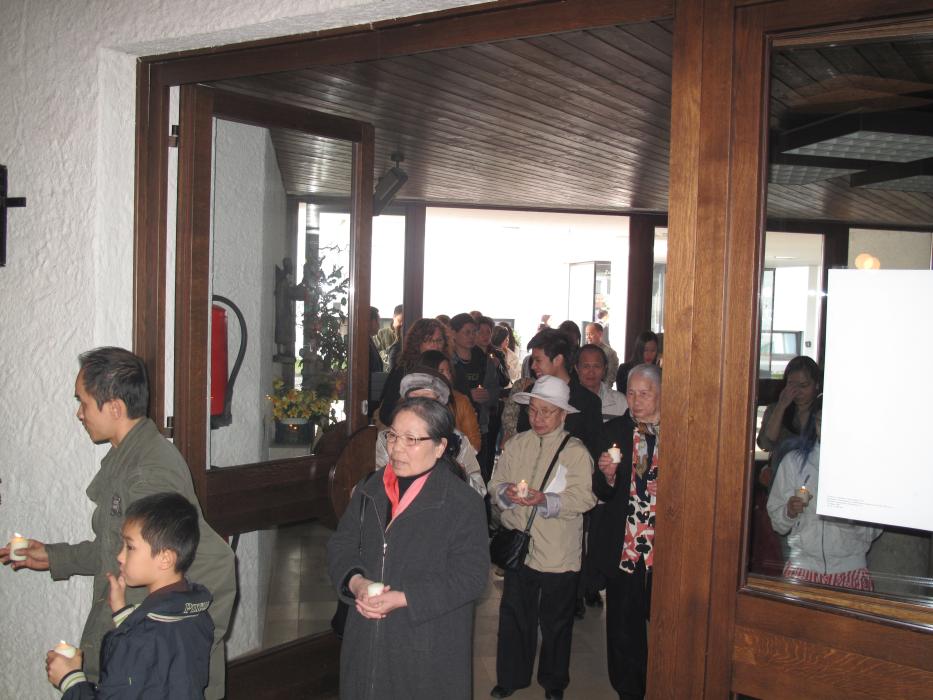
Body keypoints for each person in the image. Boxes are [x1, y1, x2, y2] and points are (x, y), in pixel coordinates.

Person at [0, 347, 235, 699]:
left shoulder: (149, 473)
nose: (79, 413)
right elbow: (115, 548)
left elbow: (207, 562)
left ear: (114, 407)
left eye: (83, 402)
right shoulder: (128, 455)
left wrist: (174, 646)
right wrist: (53, 556)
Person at [327, 398, 489, 700]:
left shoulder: (461, 503)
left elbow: (471, 577)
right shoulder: (369, 488)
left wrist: (404, 598)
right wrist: (356, 582)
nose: (397, 448)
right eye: (393, 436)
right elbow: (342, 544)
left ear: (440, 447)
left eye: (411, 439)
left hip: (425, 644)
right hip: (366, 639)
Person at [489, 376, 597, 700]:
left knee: (556, 622)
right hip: (520, 547)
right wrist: (506, 493)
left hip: (558, 552)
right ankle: (510, 677)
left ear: (563, 415)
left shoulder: (575, 452)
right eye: (533, 410)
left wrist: (545, 500)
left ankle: (554, 682)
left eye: (546, 412)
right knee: (514, 615)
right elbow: (495, 483)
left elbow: (585, 498)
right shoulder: (517, 444)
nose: (537, 418)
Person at [46, 492, 214, 699]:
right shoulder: (196, 614)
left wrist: (70, 680)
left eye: (130, 547)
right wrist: (123, 612)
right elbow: (160, 671)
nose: (120, 556)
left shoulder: (137, 641)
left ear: (165, 559)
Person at [590, 363, 662, 700]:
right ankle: (628, 690)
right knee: (622, 623)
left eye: (644, 394)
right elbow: (601, 491)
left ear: (661, 395)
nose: (636, 401)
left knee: (666, 619)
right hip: (627, 541)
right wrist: (607, 476)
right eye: (631, 393)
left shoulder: (679, 430)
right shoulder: (614, 431)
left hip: (664, 541)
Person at [767, 399, 882, 591]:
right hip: (802, 567)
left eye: (834, 422)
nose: (827, 430)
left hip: (850, 570)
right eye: (821, 423)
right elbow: (777, 523)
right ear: (814, 423)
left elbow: (874, 530)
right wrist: (789, 511)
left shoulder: (863, 466)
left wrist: (851, 518)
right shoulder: (794, 462)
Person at [374, 369, 486, 497]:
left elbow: (479, 493)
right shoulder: (388, 438)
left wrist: (460, 475)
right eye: (414, 400)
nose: (421, 407)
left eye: (428, 401)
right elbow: (377, 489)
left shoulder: (457, 441)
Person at [501, 329, 602, 455]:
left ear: (558, 360)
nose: (533, 366)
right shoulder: (531, 393)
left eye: (538, 360)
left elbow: (593, 449)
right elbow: (523, 433)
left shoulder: (587, 401)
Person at [449, 312, 501, 484]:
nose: (472, 336)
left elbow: (495, 389)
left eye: (474, 332)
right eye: (467, 332)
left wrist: (488, 396)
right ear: (453, 333)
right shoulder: (448, 363)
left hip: (480, 425)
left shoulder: (484, 360)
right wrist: (468, 396)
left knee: (479, 473)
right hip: (454, 425)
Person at [377, 318, 448, 427]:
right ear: (417, 343)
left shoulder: (447, 368)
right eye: (429, 340)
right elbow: (386, 414)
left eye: (439, 340)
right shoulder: (404, 370)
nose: (435, 346)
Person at [419, 348, 481, 452]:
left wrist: (455, 457)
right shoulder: (411, 401)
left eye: (449, 371)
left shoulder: (460, 401)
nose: (448, 376)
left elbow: (474, 442)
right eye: (441, 371)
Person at [577, 343, 627, 420]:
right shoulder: (565, 400)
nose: (591, 372)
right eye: (586, 366)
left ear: (604, 369)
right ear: (577, 369)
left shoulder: (620, 402)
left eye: (596, 366)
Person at [374, 303, 403, 368]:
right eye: (400, 321)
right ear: (393, 317)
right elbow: (376, 354)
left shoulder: (409, 335)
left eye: (404, 322)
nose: (401, 324)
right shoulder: (381, 334)